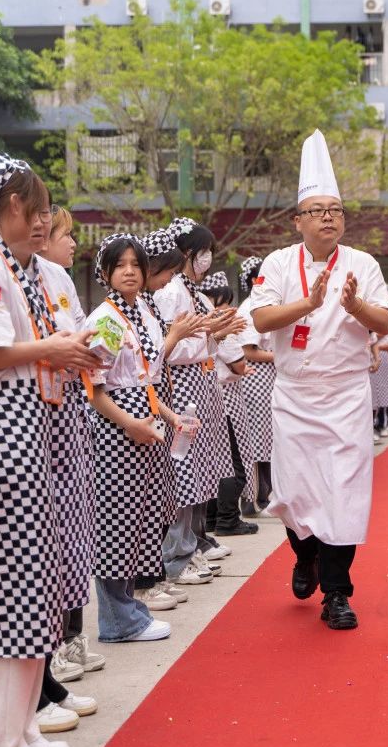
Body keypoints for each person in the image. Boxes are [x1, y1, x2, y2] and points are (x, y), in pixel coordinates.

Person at [0, 148, 102, 747]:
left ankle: (17, 732)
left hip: (26, 440)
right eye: (34, 207)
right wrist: (52, 349)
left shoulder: (11, 266)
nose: (39, 220)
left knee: (25, 593)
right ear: (10, 205)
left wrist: (59, 350)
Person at [251, 129, 388, 630]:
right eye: (318, 210)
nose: (329, 217)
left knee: (344, 493)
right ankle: (304, 552)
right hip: (294, 396)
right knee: (292, 492)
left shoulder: (362, 263)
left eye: (336, 209)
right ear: (299, 221)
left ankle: (338, 593)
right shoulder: (275, 264)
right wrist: (310, 303)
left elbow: (386, 323)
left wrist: (355, 305)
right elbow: (263, 320)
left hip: (346, 394)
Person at [86, 233, 196, 643]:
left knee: (140, 519)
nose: (130, 272)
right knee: (116, 521)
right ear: (106, 273)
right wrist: (129, 423)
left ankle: (130, 608)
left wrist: (169, 416)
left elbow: (144, 380)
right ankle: (117, 619)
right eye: (120, 266)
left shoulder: (138, 315)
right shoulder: (107, 320)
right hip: (118, 433)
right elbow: (94, 387)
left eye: (136, 264)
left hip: (143, 427)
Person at [32, 206, 104, 712]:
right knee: (37, 556)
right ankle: (39, 682)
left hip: (68, 417)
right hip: (33, 423)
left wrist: (90, 347)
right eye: (65, 234)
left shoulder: (56, 277)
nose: (70, 243)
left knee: (70, 541)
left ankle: (53, 669)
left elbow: (77, 332)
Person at [151, 219, 243, 586]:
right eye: (202, 251)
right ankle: (175, 555)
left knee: (200, 473)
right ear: (186, 253)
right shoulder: (172, 291)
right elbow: (169, 348)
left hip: (202, 381)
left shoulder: (195, 293)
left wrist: (217, 332)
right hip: (185, 384)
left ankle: (189, 547)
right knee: (184, 472)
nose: (207, 258)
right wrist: (209, 331)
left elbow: (197, 341)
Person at [200, 271, 260, 536]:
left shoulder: (208, 324)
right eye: (220, 303)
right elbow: (238, 363)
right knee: (232, 461)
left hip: (219, 394)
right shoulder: (219, 327)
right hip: (224, 398)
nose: (224, 309)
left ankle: (214, 518)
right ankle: (227, 518)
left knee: (216, 460)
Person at [236, 256, 276, 515]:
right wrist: (280, 356)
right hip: (256, 377)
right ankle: (253, 499)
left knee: (267, 440)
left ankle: (263, 495)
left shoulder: (264, 304)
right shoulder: (250, 307)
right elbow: (248, 350)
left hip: (268, 376)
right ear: (254, 280)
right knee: (258, 441)